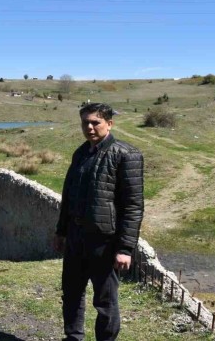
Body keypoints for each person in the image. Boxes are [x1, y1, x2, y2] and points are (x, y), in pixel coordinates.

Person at [54, 103, 144, 341]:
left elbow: (133, 206)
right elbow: (69, 194)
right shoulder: (81, 153)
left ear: (109, 124)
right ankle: (73, 337)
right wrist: (61, 231)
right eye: (85, 122)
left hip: (104, 241)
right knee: (71, 293)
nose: (90, 127)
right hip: (75, 237)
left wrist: (125, 248)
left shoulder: (126, 154)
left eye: (96, 122)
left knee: (105, 301)